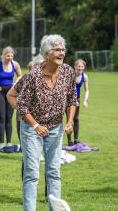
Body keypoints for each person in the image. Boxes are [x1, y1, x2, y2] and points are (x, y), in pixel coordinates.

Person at [16, 34, 77, 211]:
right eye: (57, 49)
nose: (61, 53)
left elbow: (72, 99)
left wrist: (70, 121)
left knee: (54, 172)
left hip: (56, 128)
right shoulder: (34, 75)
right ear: (46, 53)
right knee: (32, 173)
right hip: (32, 128)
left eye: (63, 49)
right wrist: (35, 125)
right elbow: (21, 105)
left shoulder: (68, 72)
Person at [0, 46, 22, 149]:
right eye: (8, 56)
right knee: (2, 118)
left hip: (11, 93)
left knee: (9, 118)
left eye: (11, 56)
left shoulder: (15, 64)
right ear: (3, 55)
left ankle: (9, 142)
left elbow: (19, 75)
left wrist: (16, 82)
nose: (9, 58)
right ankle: (2, 142)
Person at [66, 59, 89, 145]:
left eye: (82, 66)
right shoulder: (70, 75)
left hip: (77, 100)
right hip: (67, 99)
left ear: (84, 67)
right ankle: (69, 141)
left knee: (76, 119)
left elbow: (87, 90)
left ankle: (75, 140)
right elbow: (70, 88)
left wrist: (85, 101)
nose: (80, 68)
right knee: (69, 119)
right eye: (78, 66)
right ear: (75, 66)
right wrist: (73, 100)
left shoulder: (85, 77)